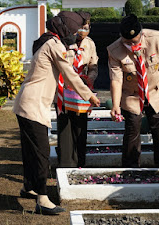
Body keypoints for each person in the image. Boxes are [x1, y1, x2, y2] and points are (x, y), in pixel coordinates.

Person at [12, 11, 100, 215]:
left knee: (30, 149)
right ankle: (42, 199)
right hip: (33, 105)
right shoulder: (54, 45)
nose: (77, 33)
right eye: (74, 29)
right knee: (41, 152)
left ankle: (28, 187)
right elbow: (70, 75)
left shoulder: (48, 40)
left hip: (27, 102)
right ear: (66, 29)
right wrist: (90, 96)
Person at [107, 14, 159, 168]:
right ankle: (130, 169)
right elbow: (116, 79)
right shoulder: (114, 50)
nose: (131, 44)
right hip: (131, 95)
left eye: (135, 41)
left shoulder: (157, 38)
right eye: (127, 42)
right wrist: (115, 105)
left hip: (155, 91)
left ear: (141, 33)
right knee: (132, 130)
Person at [56, 11, 99, 168]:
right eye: (82, 27)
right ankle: (67, 163)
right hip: (64, 89)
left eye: (87, 27)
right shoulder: (63, 42)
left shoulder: (90, 44)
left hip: (82, 91)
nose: (84, 30)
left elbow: (93, 66)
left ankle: (80, 162)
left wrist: (90, 78)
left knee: (80, 126)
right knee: (65, 126)